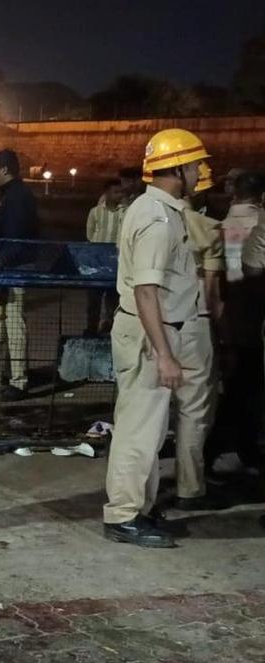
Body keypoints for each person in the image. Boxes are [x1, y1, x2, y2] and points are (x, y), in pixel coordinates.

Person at [102, 128, 210, 549]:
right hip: (152, 333)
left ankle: (138, 510)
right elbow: (146, 290)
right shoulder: (157, 219)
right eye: (196, 164)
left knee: (148, 427)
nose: (200, 171)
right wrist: (165, 353)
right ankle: (123, 515)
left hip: (156, 330)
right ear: (179, 167)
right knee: (138, 429)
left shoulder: (158, 209)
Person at [172, 162, 224, 511]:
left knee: (155, 411)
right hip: (196, 323)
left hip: (158, 324)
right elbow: (214, 292)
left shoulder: (153, 221)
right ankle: (190, 488)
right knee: (194, 410)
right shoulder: (212, 230)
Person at [212, 170, 265, 473]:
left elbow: (225, 275)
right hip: (255, 315)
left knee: (237, 387)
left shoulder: (223, 224)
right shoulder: (258, 222)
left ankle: (227, 448)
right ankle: (234, 447)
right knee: (246, 391)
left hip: (232, 312)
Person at [0, 149, 38, 400]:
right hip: (12, 266)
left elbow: (16, 236)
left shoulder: (15, 197)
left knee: (14, 322)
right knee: (11, 322)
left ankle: (19, 380)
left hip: (14, 269)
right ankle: (15, 375)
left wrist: (0, 262)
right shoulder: (14, 195)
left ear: (5, 170)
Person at [85, 179, 125, 334]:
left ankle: (109, 328)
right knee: (93, 300)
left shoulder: (125, 212)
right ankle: (91, 328)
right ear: (106, 193)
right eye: (115, 192)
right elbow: (90, 234)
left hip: (115, 264)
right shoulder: (95, 212)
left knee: (113, 300)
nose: (119, 196)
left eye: (121, 192)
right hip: (97, 263)